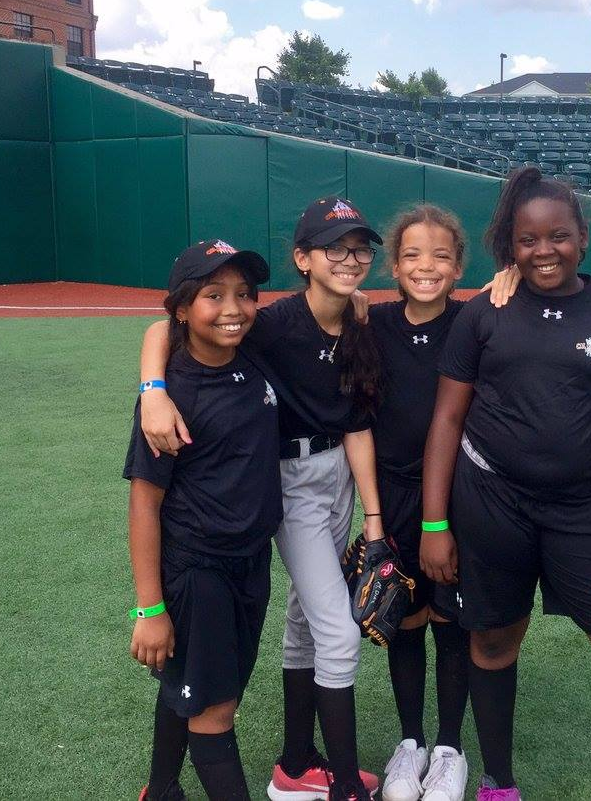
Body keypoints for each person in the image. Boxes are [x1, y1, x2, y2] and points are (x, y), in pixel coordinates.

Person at [421, 167, 591, 801]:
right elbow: (447, 419)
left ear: (583, 238)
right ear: (511, 247)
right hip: (490, 502)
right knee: (495, 641)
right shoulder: (484, 314)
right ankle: (499, 782)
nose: (543, 250)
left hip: (582, 507)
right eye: (528, 240)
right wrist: (434, 524)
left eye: (557, 236)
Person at [139, 198, 386, 801]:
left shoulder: (356, 320)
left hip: (328, 484)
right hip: (279, 488)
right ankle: (346, 784)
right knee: (336, 631)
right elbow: (164, 327)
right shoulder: (268, 324)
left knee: (300, 622)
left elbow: (356, 422)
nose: (350, 259)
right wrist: (151, 388)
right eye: (335, 247)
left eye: (359, 248)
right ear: (302, 258)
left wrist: (373, 517)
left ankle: (295, 764)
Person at [125, 240, 280, 801]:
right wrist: (150, 608)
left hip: (250, 562)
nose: (234, 307)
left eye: (244, 293)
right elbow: (144, 505)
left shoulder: (252, 350)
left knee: (198, 685)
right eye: (214, 295)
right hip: (198, 569)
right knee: (216, 710)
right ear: (183, 310)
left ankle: (161, 790)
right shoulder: (172, 399)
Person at [369, 206, 473, 801]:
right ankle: (410, 746)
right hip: (395, 496)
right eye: (411, 255)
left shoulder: (476, 319)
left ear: (458, 265)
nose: (425, 266)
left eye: (439, 255)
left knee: (451, 621)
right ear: (395, 264)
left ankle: (450, 747)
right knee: (404, 621)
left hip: (461, 499)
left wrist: (505, 280)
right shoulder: (373, 322)